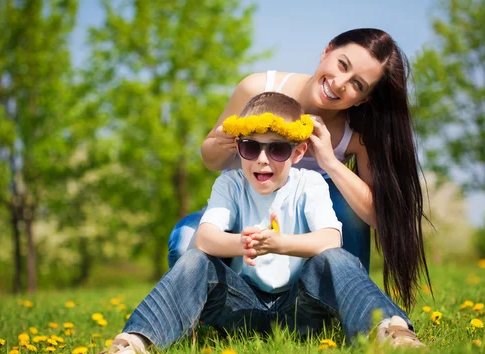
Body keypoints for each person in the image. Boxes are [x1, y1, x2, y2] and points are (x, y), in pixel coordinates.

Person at [91, 92, 423, 354]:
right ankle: (132, 344)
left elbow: (330, 238)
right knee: (194, 260)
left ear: (298, 152)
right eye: (251, 147)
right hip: (239, 307)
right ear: (239, 149)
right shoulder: (230, 183)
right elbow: (205, 238)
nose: (262, 159)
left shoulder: (308, 183)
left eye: (277, 148)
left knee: (335, 260)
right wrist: (241, 244)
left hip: (301, 309)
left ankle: (389, 331)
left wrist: (280, 244)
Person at [168, 28, 431, 312]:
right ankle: (211, 310)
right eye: (342, 64)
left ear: (363, 99)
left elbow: (380, 217)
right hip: (243, 213)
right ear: (327, 50)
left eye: (357, 84)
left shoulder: (356, 133)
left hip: (308, 229)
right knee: (184, 239)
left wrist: (329, 161)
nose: (340, 83)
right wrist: (223, 142)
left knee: (346, 202)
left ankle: (345, 305)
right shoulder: (256, 89)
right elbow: (210, 159)